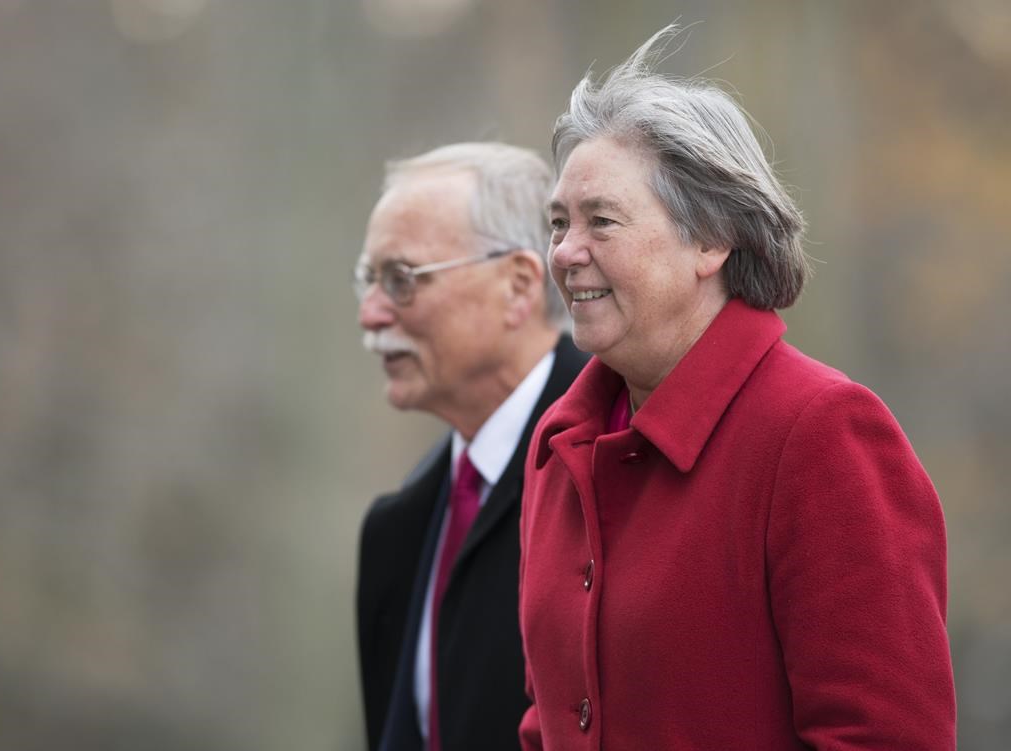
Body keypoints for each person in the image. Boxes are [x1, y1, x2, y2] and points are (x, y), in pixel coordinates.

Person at [518, 25, 956, 750]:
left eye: (602, 221)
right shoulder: (559, 446)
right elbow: (548, 722)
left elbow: (886, 736)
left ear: (710, 240)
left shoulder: (821, 434)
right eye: (559, 223)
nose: (565, 252)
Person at [355, 142, 588, 751]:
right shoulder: (398, 527)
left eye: (401, 280)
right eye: (368, 281)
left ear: (518, 286)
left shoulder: (618, 464)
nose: (371, 314)